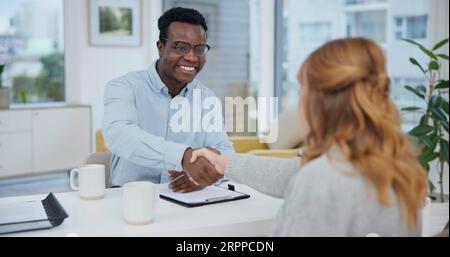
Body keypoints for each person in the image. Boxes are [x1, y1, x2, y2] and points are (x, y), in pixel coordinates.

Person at [184, 38, 428, 236]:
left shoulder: (324, 178)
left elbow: (312, 179)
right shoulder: (399, 166)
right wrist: (224, 162)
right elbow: (293, 173)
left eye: (303, 89)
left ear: (321, 101)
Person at [102, 7, 234, 189]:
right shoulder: (124, 87)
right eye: (180, 47)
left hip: (186, 200)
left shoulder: (205, 97)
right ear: (161, 47)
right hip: (129, 198)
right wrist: (182, 157)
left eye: (199, 49)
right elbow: (120, 135)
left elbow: (224, 150)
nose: (191, 57)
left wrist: (203, 178)